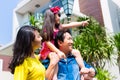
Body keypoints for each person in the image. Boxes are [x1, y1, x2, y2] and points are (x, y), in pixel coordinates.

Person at [40, 6, 89, 79]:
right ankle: (54, 77)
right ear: (52, 17)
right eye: (57, 16)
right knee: (55, 57)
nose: (59, 18)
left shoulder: (59, 27)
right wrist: (58, 51)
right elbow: (48, 43)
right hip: (48, 50)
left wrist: (81, 23)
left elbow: (70, 25)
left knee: (76, 52)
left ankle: (83, 68)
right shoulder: (46, 30)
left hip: (57, 49)